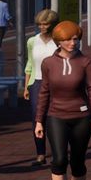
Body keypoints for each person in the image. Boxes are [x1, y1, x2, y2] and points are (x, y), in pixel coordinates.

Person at [35, 19, 91, 180]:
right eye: (68, 39)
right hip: (56, 116)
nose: (73, 43)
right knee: (59, 159)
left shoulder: (86, 62)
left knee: (78, 161)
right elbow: (44, 92)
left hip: (81, 116)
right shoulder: (48, 63)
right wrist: (39, 121)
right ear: (59, 41)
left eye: (76, 39)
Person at [21, 9, 59, 167]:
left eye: (46, 24)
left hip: (56, 83)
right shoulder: (32, 41)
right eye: (40, 24)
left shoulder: (59, 41)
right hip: (37, 83)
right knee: (37, 118)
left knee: (55, 119)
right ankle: (40, 154)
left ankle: (57, 153)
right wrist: (26, 86)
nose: (42, 27)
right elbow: (30, 64)